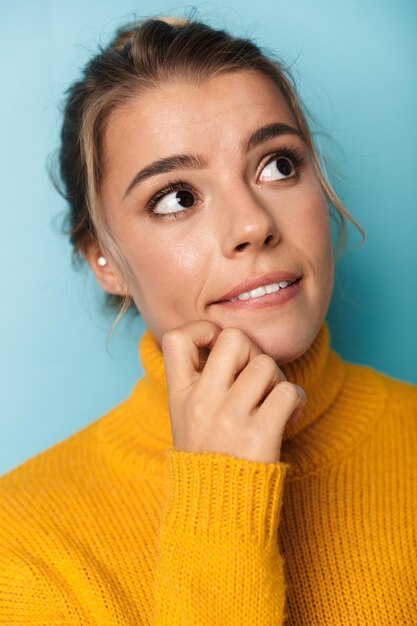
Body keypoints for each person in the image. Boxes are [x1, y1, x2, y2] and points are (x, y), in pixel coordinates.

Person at [1, 13, 416, 625]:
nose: (253, 224)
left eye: (278, 165)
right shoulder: (23, 541)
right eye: (177, 198)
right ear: (104, 262)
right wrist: (219, 503)